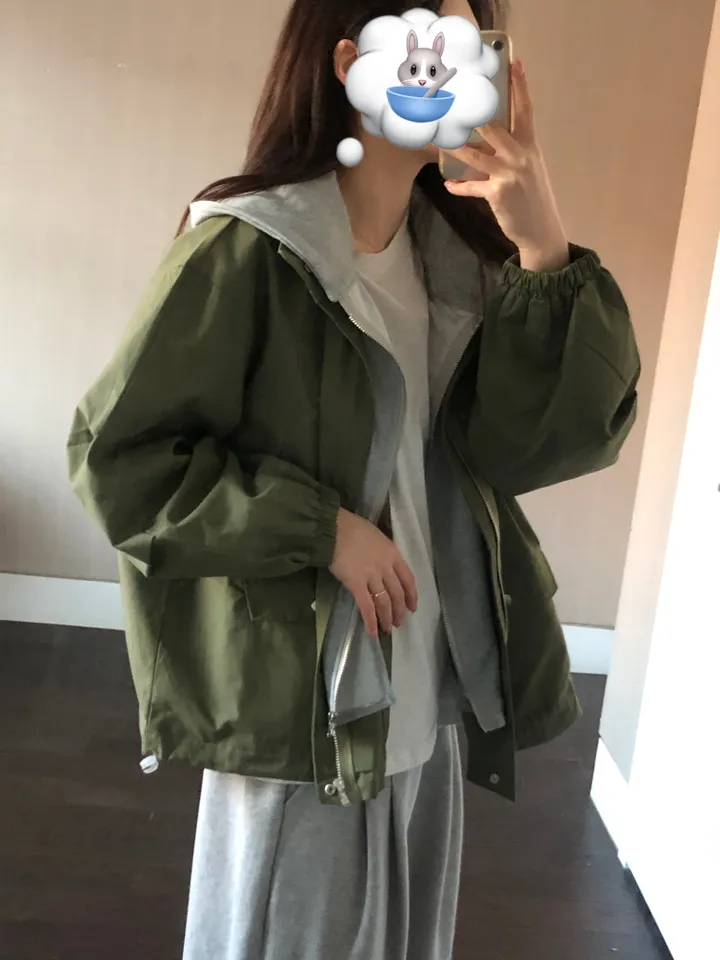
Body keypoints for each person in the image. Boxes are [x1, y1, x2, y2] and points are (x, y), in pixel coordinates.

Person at [67, 0, 640, 957]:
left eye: (477, 50)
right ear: (349, 64)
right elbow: (119, 461)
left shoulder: (455, 265)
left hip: (430, 695)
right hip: (307, 706)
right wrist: (322, 529)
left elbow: (543, 447)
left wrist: (546, 250)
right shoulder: (249, 249)